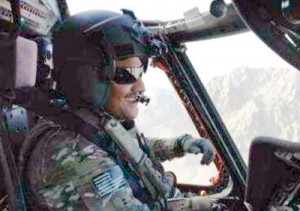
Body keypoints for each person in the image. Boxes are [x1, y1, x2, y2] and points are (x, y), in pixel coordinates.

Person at [21, 9, 216, 210]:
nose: (141, 88)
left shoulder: (87, 124)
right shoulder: (71, 149)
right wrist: (193, 206)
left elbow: (126, 147)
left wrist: (178, 145)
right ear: (88, 77)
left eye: (141, 72)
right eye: (128, 74)